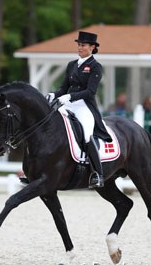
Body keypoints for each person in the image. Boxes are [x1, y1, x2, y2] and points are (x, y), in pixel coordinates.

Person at [46, 31, 112, 188]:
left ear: (92, 47)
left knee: (87, 134)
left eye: (82, 45)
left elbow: (90, 92)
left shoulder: (95, 67)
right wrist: (52, 94)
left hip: (84, 107)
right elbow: (63, 88)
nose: (79, 47)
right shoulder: (71, 65)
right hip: (68, 104)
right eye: (79, 45)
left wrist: (70, 97)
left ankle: (98, 174)